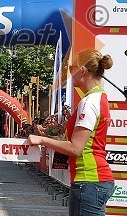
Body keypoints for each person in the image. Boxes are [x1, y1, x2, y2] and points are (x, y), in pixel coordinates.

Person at [28, 48, 115, 216]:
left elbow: (76, 148)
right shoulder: (98, 97)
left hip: (89, 180)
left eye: (71, 69)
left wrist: (43, 141)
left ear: (82, 70)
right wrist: (46, 137)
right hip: (93, 180)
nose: (69, 75)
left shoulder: (89, 102)